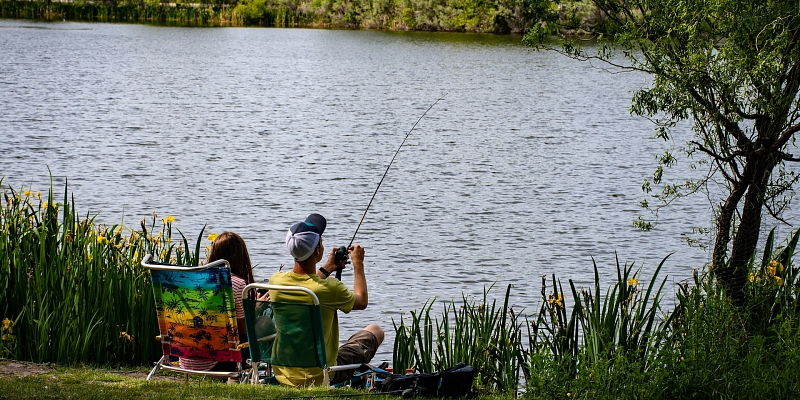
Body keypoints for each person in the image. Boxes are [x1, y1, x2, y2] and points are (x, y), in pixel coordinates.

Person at [268, 213, 384, 387]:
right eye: (320, 241)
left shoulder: (276, 282)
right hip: (321, 374)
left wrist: (329, 267)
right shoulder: (330, 288)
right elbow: (361, 301)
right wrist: (358, 263)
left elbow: (309, 285)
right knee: (375, 330)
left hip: (284, 372)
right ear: (317, 250)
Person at [179, 231, 255, 373]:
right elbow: (243, 330)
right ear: (241, 257)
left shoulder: (194, 281)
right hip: (219, 362)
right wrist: (255, 309)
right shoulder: (237, 284)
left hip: (187, 358)